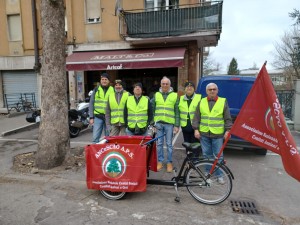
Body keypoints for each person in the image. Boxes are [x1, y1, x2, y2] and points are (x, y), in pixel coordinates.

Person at [192, 82, 232, 184]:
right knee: (206, 155)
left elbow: (227, 118)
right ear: (206, 91)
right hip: (204, 134)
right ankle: (207, 173)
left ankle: (219, 175)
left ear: (217, 91)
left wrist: (228, 130)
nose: (212, 91)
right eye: (210, 90)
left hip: (217, 135)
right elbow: (196, 117)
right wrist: (196, 129)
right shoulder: (201, 102)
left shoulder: (223, 101)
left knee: (218, 156)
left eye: (214, 89)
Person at [152, 76, 179, 173]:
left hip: (169, 124)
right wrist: (152, 123)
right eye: (163, 83)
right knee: (159, 144)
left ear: (170, 85)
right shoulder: (156, 95)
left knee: (169, 144)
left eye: (166, 83)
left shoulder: (175, 95)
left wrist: (176, 125)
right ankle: (160, 161)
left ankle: (169, 162)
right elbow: (152, 109)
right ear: (160, 84)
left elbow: (177, 111)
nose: (165, 85)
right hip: (158, 123)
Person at [178, 81, 202, 159]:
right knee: (187, 146)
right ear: (184, 89)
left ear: (194, 89)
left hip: (195, 127)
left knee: (195, 145)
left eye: (191, 87)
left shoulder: (199, 97)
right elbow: (178, 112)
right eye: (187, 87)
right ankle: (189, 161)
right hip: (185, 127)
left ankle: (195, 161)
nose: (189, 88)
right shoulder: (181, 98)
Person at [89, 73, 114, 143]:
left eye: (106, 79)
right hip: (98, 116)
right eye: (102, 79)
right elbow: (91, 103)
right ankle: (95, 153)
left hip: (109, 117)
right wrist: (91, 117)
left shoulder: (113, 90)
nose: (104, 81)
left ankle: (107, 152)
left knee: (108, 138)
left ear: (109, 81)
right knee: (95, 138)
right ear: (100, 80)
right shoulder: (96, 89)